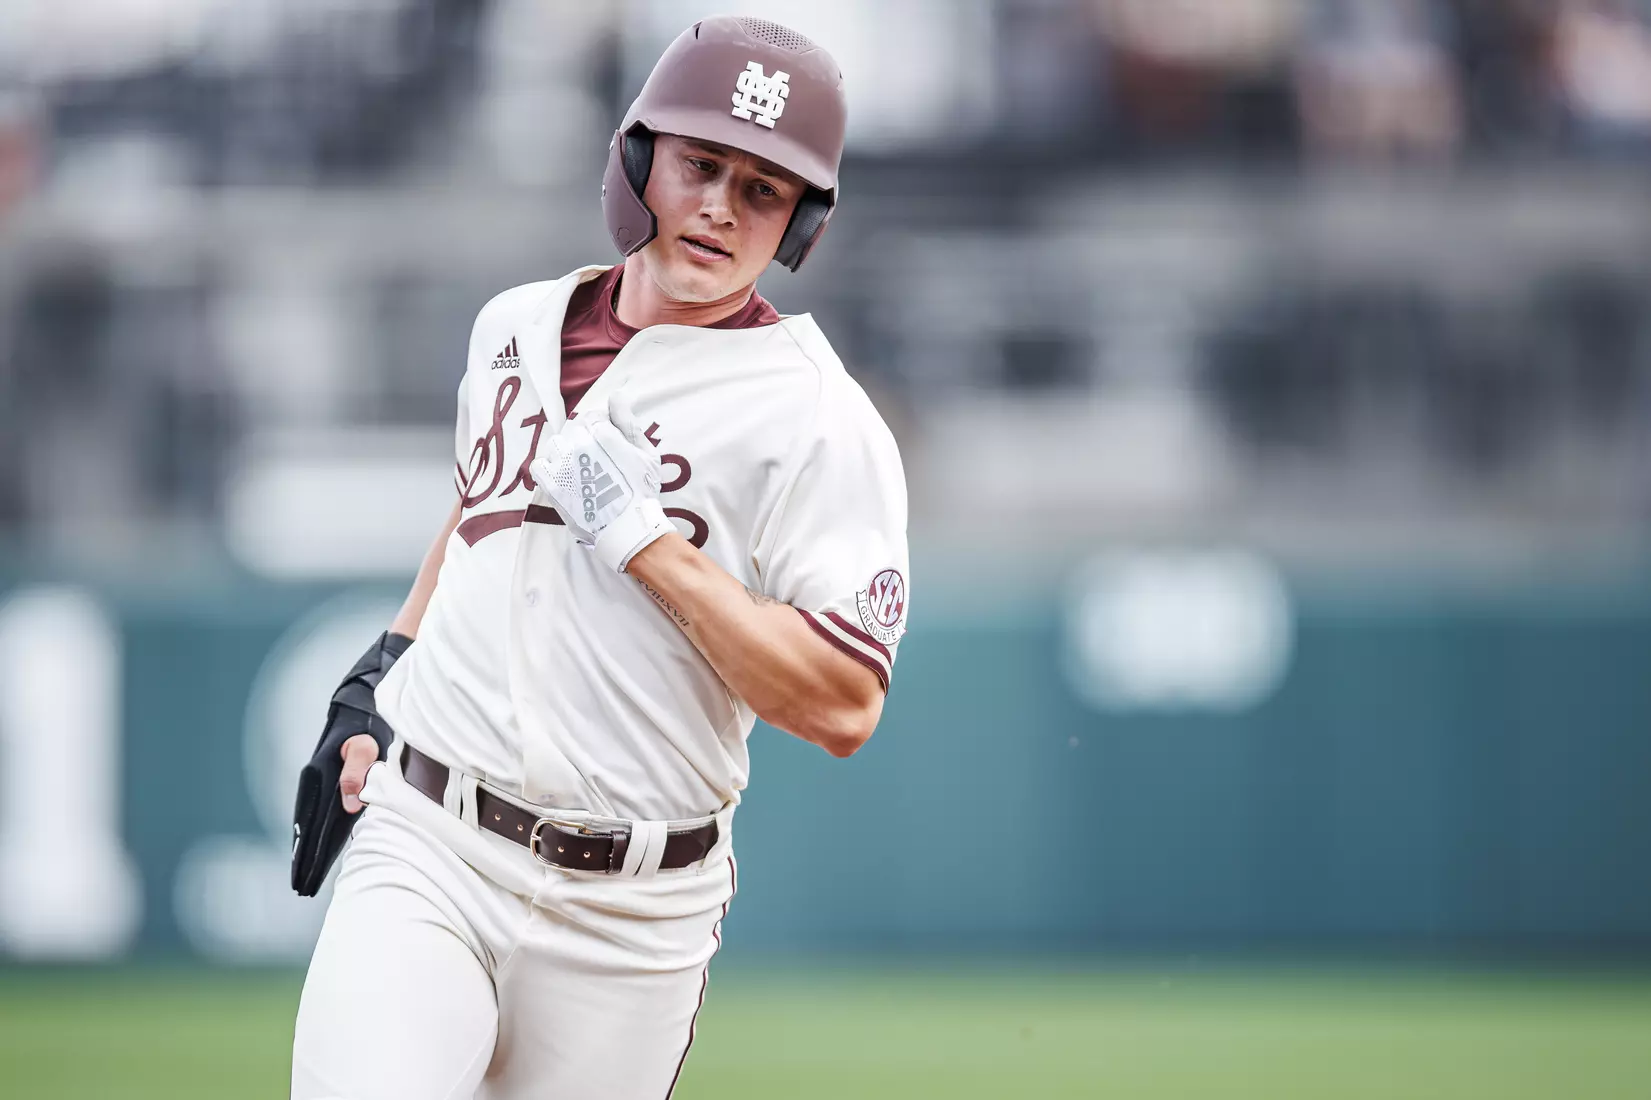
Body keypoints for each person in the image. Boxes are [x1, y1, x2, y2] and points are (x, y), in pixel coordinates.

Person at [287, 15, 909, 1100]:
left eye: (763, 188)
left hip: (634, 914)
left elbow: (843, 703)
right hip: (432, 840)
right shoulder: (513, 327)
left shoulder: (816, 418)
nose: (721, 206)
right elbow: (478, 512)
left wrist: (647, 546)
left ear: (801, 221)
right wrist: (382, 668)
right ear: (637, 160)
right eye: (700, 164)